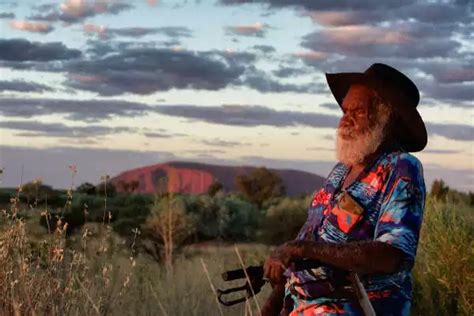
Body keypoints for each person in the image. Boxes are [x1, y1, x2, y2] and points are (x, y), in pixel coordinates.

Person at [261, 63, 427, 316]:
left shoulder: (401, 168)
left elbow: (392, 255)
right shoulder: (339, 172)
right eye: (345, 110)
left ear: (387, 117)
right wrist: (275, 302)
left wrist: (300, 249)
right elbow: (309, 239)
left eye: (358, 111)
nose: (345, 120)